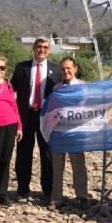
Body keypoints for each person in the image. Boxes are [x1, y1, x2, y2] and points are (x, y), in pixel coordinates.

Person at [10, 38, 62, 201]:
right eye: (39, 47)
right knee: (23, 153)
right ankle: (22, 189)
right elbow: (11, 90)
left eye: (45, 47)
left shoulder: (56, 70)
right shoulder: (21, 67)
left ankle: (48, 190)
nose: (42, 50)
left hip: (46, 117)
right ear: (33, 48)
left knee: (47, 153)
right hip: (26, 115)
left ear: (49, 50)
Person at [48, 57, 90, 210]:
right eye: (63, 69)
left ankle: (82, 196)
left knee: (79, 166)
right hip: (59, 132)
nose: (66, 71)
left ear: (75, 69)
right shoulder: (57, 88)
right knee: (57, 167)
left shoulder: (84, 86)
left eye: (69, 68)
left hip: (76, 132)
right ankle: (56, 198)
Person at [0, 55, 23, 207]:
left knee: (5, 160)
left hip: (10, 124)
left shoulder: (8, 85)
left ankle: (2, 193)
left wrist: (19, 126)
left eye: (2, 67)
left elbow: (14, 105)